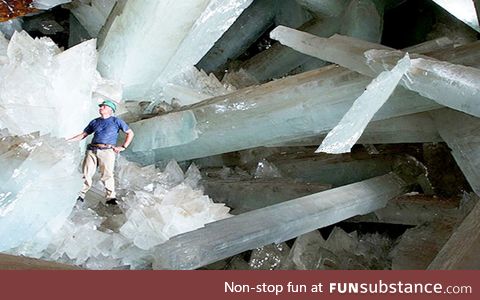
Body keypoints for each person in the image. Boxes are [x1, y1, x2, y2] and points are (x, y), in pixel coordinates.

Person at [68, 100, 134, 205]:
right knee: (86, 173)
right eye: (101, 106)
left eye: (104, 106)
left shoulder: (116, 121)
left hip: (107, 151)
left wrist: (123, 147)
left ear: (110, 109)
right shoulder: (94, 121)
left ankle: (111, 197)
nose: (101, 108)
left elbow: (130, 133)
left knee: (107, 174)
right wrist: (68, 141)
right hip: (92, 150)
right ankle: (80, 194)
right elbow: (84, 134)